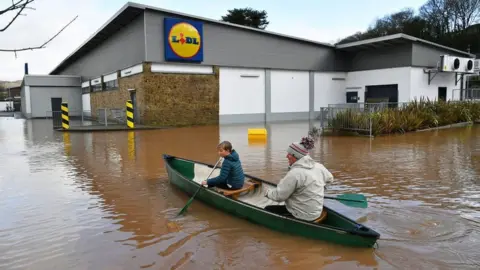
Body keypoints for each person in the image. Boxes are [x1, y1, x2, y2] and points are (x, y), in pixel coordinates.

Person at [264, 136, 334, 221]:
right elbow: (330, 179)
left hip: (302, 216)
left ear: (295, 156)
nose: (287, 156)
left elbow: (279, 197)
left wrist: (267, 192)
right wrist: (321, 188)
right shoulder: (319, 167)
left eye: (289, 154)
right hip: (317, 212)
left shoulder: (294, 174)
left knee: (268, 209)